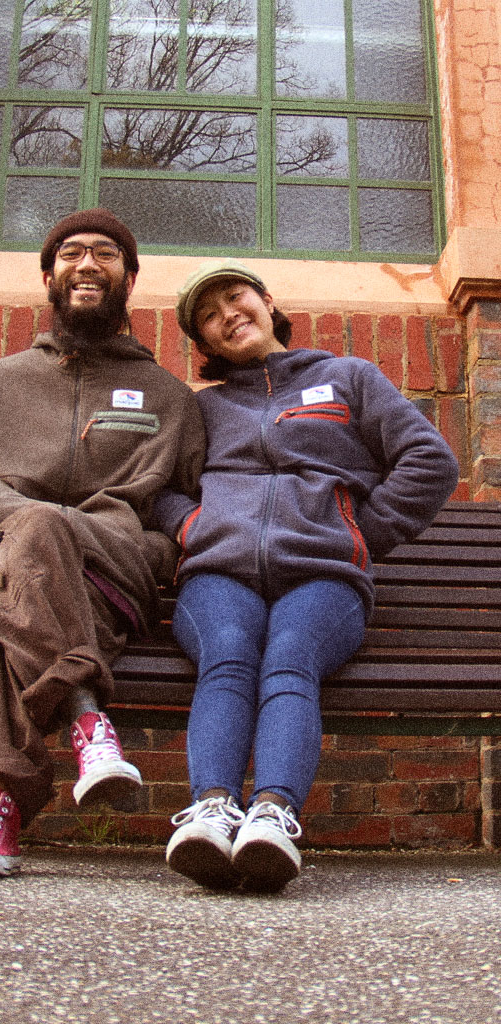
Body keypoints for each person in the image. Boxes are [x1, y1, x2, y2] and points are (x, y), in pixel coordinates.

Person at [155, 259, 459, 893]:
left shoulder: (347, 378)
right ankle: (212, 811)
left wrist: (357, 534)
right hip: (219, 571)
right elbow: (157, 487)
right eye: (209, 317)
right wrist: (195, 529)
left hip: (323, 578)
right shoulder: (203, 409)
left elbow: (429, 460)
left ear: (268, 302)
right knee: (230, 654)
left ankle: (273, 816)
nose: (227, 316)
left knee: (291, 657)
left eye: (235, 299)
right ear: (205, 343)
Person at [0, 209, 207, 878]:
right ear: (49, 275)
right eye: (72, 253)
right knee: (19, 570)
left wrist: (26, 513)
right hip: (14, 568)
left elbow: (186, 513)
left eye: (106, 254)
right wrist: (5, 514)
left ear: (129, 278)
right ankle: (70, 739)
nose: (88, 264)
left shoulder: (171, 399)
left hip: (114, 569)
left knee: (22, 561)